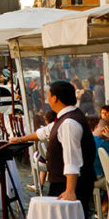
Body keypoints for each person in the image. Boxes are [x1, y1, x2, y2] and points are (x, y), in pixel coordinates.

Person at [12, 80, 96, 215]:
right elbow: (45, 131)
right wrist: (21, 139)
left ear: (55, 98)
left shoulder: (69, 123)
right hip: (63, 181)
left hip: (69, 184)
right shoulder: (67, 116)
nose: (47, 99)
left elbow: (72, 160)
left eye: (48, 95)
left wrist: (70, 190)